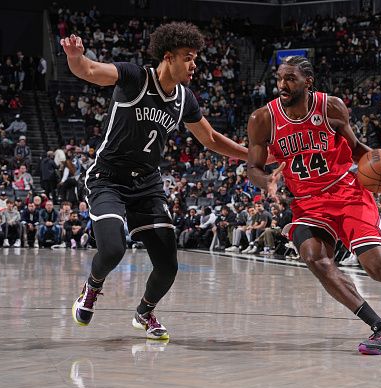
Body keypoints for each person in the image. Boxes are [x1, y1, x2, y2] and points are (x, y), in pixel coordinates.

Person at [61, 22, 252, 339]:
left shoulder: (184, 99)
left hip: (147, 185)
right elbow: (90, 71)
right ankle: (91, 289)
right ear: (168, 57)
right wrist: (75, 57)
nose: (194, 65)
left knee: (168, 265)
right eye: (188, 57)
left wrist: (252, 155)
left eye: (195, 58)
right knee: (112, 250)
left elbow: (211, 139)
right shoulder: (136, 77)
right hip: (108, 177)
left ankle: (144, 313)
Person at [246, 56, 381, 355]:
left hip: (347, 194)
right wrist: (268, 182)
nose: (282, 85)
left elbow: (356, 150)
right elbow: (254, 167)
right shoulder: (262, 119)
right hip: (308, 205)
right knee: (314, 258)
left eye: (290, 79)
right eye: (280, 78)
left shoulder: (331, 107)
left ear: (307, 81)